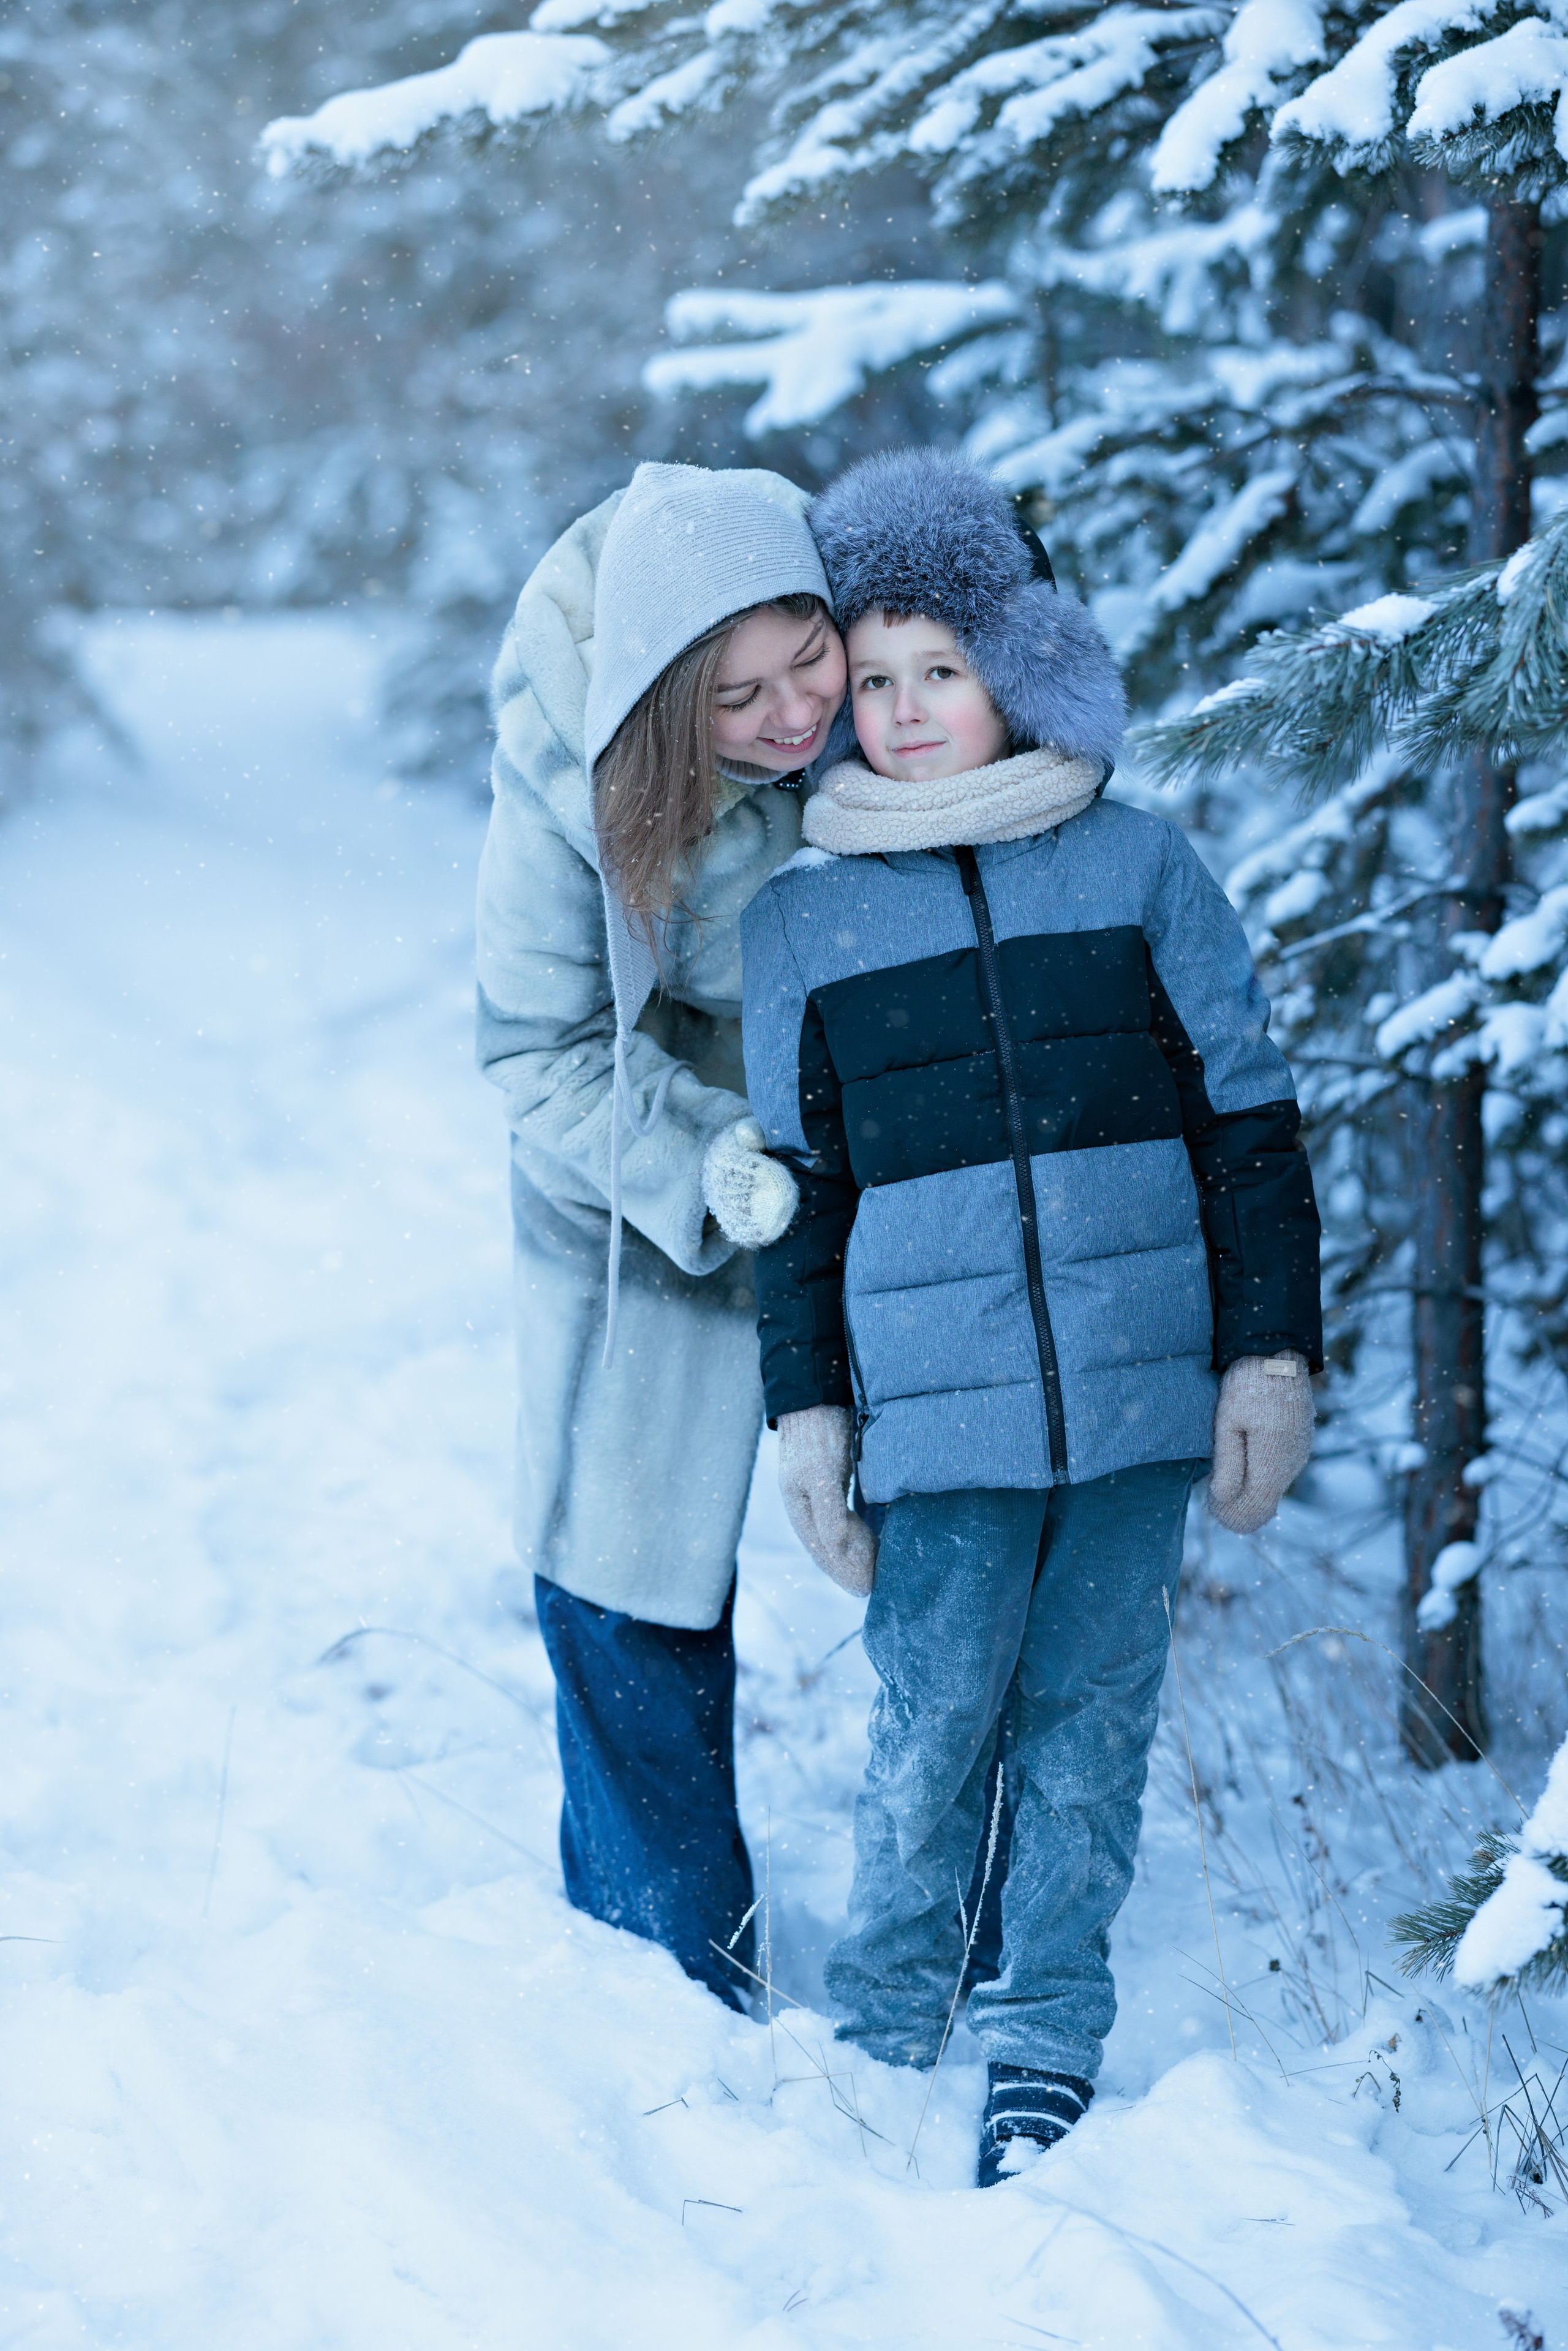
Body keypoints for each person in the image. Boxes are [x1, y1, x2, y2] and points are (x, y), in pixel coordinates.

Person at [739, 447, 1322, 2182]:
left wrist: (1270, 1351)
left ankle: (1045, 2026)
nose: (913, 710)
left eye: (948, 669)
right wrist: (809, 1410)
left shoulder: (1139, 864)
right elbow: (798, 1183)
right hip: (936, 1418)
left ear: (1018, 667)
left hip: (1143, 1407)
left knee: (1090, 1728)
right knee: (930, 1724)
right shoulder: (804, 916)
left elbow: (1250, 1119)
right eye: (882, 673)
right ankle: (891, 2011)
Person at [477, 462, 846, 2007]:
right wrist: (708, 1162)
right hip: (658, 1186)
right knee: (629, 1568)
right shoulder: (567, 764)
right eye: (735, 698)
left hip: (894, 1151)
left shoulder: (905, 674)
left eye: (804, 661)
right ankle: (665, 1966)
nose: (788, 717)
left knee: (971, 1552)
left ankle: (963, 1942)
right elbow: (532, 1049)